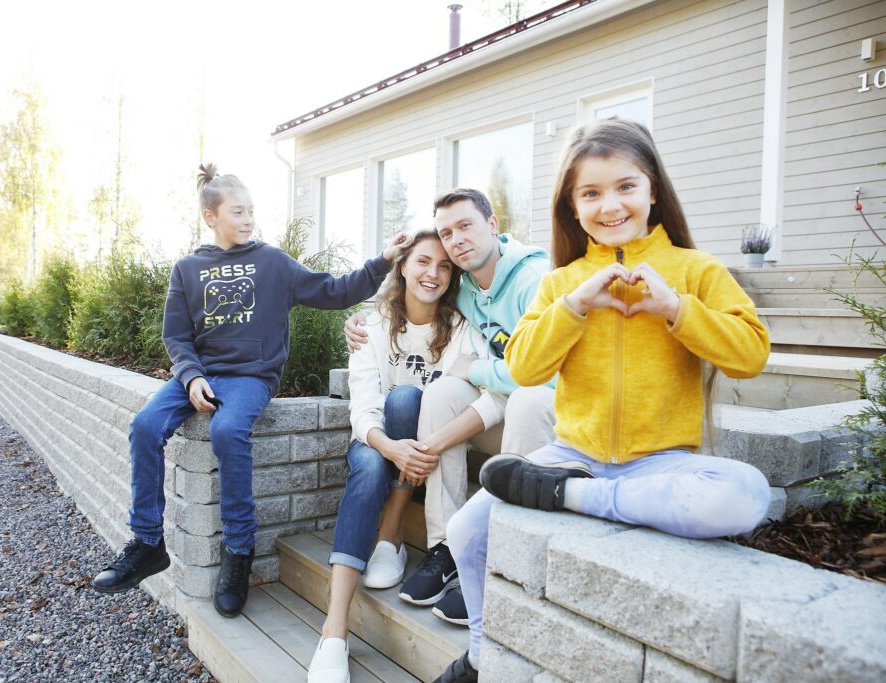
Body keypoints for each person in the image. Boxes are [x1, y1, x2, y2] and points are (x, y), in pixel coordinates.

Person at [434, 118, 772, 683]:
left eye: (625, 187)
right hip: (574, 452)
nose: (610, 205)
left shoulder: (696, 271)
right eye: (590, 193)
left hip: (659, 462)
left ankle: (577, 499)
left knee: (746, 494)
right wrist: (574, 308)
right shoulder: (559, 282)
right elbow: (523, 366)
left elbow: (750, 355)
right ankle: (479, 653)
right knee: (468, 531)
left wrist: (675, 309)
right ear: (572, 204)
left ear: (652, 190)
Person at [90, 163, 404, 620]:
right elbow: (176, 337)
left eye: (251, 210)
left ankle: (238, 552)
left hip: (250, 377)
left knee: (228, 430)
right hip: (198, 374)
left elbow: (336, 291)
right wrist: (192, 377)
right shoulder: (188, 269)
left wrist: (381, 261)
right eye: (238, 211)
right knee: (144, 426)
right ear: (210, 217)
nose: (248, 219)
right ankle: (146, 543)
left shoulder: (273, 263)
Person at [345, 188, 557, 623]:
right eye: (447, 232)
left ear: (493, 224)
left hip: (549, 413)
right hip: (501, 406)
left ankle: (504, 562)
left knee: (525, 402)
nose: (456, 240)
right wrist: (356, 324)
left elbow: (541, 375)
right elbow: (407, 301)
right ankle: (447, 547)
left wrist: (476, 373)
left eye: (466, 226)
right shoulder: (463, 291)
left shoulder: (535, 280)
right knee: (441, 391)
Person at [308, 229, 504, 683]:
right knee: (376, 447)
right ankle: (334, 629)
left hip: (424, 449)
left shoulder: (459, 329)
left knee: (407, 401)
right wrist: (388, 445)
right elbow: (362, 408)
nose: (432, 274)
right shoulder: (372, 325)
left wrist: (415, 446)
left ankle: (392, 528)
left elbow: (485, 394)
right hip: (381, 445)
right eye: (422, 262)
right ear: (402, 266)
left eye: (443, 266)